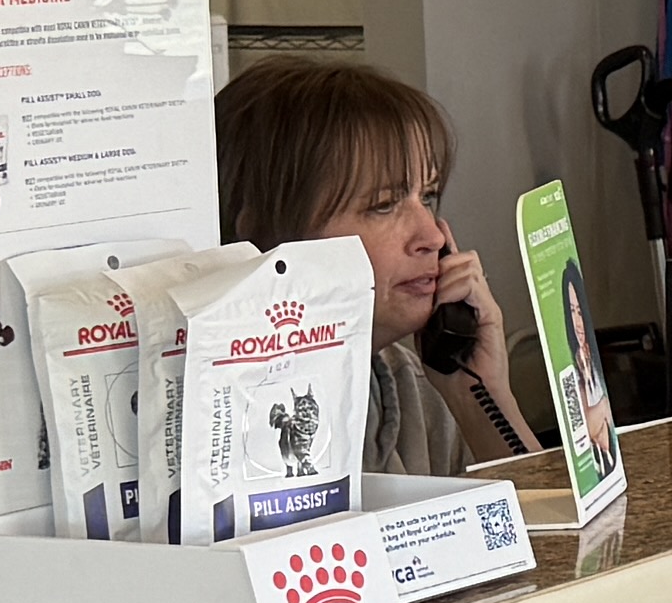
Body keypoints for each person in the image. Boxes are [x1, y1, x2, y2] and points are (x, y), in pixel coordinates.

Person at [215, 56, 518, 474]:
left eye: (428, 197)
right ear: (264, 236)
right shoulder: (219, 421)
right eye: (384, 205)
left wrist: (481, 398)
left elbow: (553, 515)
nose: (432, 237)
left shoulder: (411, 385)